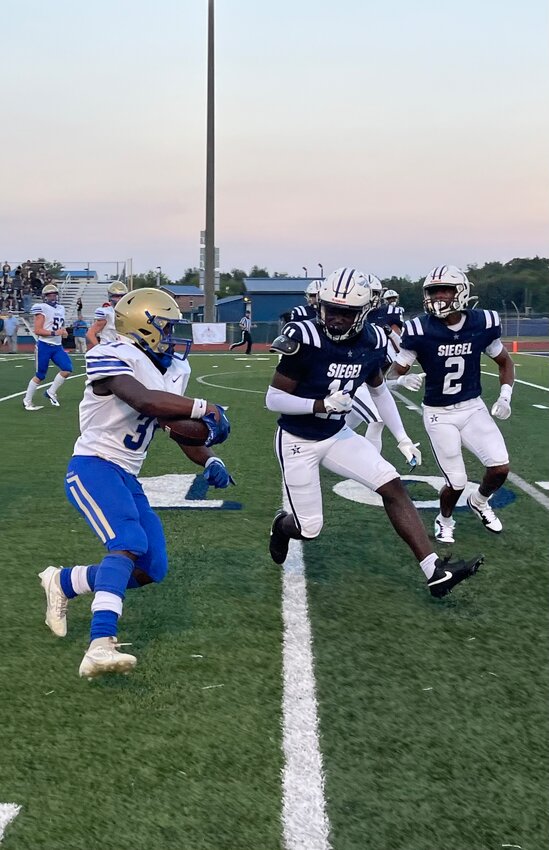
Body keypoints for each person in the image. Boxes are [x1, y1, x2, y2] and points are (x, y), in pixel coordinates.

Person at [38, 288, 233, 679]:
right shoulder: (111, 355)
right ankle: (100, 644)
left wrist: (208, 456)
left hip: (126, 474)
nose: (173, 334)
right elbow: (145, 401)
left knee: (150, 567)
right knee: (128, 541)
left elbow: (172, 424)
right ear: (142, 324)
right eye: (166, 326)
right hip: (93, 466)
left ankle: (64, 581)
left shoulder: (174, 369)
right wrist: (206, 409)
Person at [265, 267, 483, 598]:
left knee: (392, 485)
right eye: (330, 309)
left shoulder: (374, 339)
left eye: (346, 312)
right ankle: (282, 526)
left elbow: (379, 390)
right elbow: (273, 399)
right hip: (298, 439)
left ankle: (434, 570)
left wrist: (402, 438)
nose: (335, 318)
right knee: (308, 529)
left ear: (364, 311)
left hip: (336, 436)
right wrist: (320, 404)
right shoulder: (304, 336)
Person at [388, 264, 514, 543]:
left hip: (472, 407)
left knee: (500, 469)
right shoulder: (419, 329)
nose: (439, 297)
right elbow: (393, 373)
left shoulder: (482, 323)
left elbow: (505, 361)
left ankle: (480, 501)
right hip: (439, 414)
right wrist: (399, 381)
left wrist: (505, 395)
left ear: (462, 291)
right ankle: (444, 518)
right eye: (433, 291)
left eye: (445, 290)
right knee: (456, 482)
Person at [23, 283, 73, 410]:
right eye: (49, 295)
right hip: (44, 345)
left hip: (57, 346)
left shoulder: (61, 308)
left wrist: (64, 331)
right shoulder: (41, 308)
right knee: (40, 375)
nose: (52, 297)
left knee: (67, 369)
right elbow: (38, 330)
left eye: (54, 294)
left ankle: (51, 392)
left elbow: (59, 325)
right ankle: (27, 400)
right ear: (44, 296)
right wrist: (55, 333)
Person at [86, 281, 128, 347]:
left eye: (122, 296)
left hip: (124, 348)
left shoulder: (128, 312)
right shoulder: (107, 313)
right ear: (110, 296)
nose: (120, 299)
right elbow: (90, 333)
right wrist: (99, 348)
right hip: (109, 348)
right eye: (116, 296)